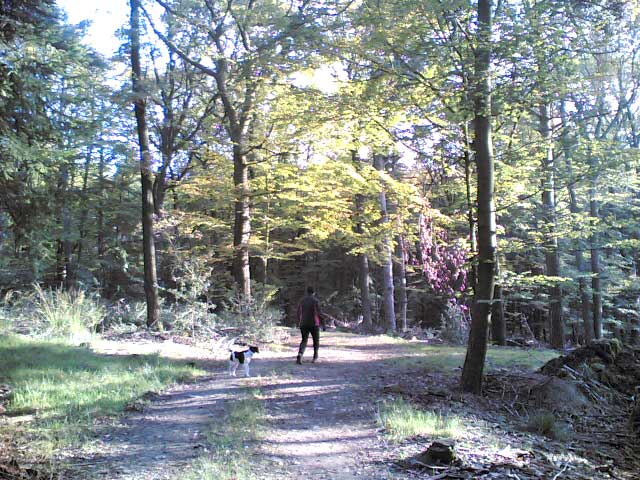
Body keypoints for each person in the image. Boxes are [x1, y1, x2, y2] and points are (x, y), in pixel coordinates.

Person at [296, 286, 324, 364]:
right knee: (316, 340)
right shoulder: (315, 301)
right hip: (314, 323)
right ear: (313, 293)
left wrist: (299, 322)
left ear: (307, 292)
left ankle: (300, 354)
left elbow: (298, 312)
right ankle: (315, 358)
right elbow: (319, 313)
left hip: (303, 323)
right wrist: (323, 323)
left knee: (304, 340)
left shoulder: (302, 301)